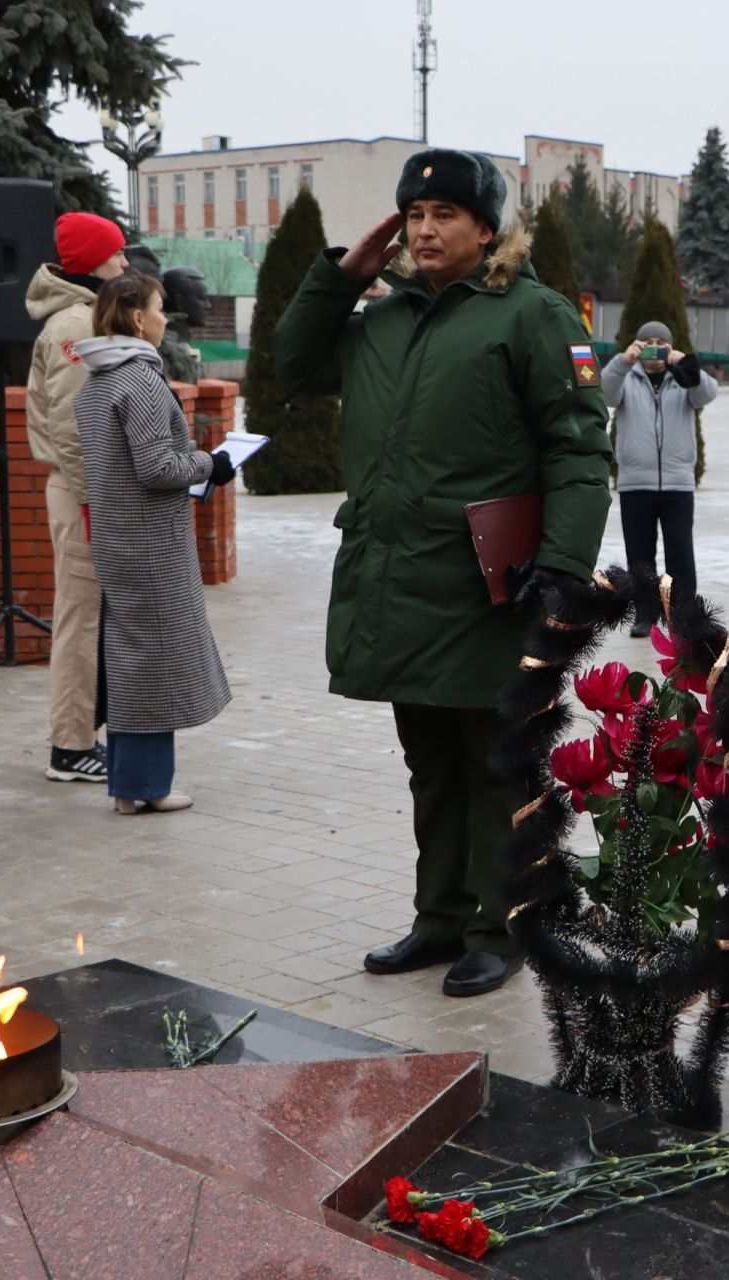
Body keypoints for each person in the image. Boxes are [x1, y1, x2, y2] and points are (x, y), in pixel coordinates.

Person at [275, 149, 611, 998]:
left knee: (494, 763)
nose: (426, 230)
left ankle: (502, 928)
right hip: (396, 579)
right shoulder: (380, 321)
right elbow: (294, 365)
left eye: (446, 216)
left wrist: (564, 566)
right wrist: (342, 276)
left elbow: (578, 447)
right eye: (415, 216)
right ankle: (438, 918)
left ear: (487, 229)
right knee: (430, 762)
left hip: (487, 585)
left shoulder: (531, 315)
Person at [72, 273, 233, 814]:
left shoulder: (96, 382)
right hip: (150, 543)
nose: (166, 319)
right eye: (160, 309)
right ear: (137, 318)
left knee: (130, 657)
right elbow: (157, 466)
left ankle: (128, 785)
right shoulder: (139, 380)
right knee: (153, 662)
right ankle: (145, 786)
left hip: (118, 537)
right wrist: (214, 463)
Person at [25, 211, 127, 784]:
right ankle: (70, 745)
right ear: (93, 262)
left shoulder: (87, 317)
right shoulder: (73, 326)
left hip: (90, 488)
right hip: (83, 489)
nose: (124, 264)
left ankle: (84, 731)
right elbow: (73, 426)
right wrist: (94, 501)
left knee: (91, 617)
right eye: (115, 255)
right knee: (80, 619)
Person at [604, 320, 718, 638]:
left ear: (670, 346)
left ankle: (686, 616)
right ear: (638, 347)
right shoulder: (627, 378)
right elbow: (603, 394)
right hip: (634, 483)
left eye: (660, 342)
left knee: (680, 553)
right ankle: (645, 614)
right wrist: (623, 361)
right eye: (647, 342)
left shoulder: (683, 380)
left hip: (678, 483)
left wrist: (683, 362)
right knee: (639, 555)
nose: (654, 347)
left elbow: (708, 393)